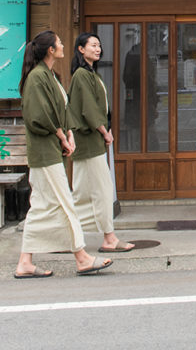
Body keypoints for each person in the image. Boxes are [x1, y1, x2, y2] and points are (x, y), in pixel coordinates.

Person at [15, 30, 112, 278]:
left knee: (41, 206)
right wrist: (61, 135)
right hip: (44, 152)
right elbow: (39, 115)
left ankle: (25, 262)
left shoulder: (50, 75)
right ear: (50, 50)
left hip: (50, 151)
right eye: (59, 42)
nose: (62, 45)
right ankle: (82, 257)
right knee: (64, 203)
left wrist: (67, 134)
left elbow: (62, 109)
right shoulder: (37, 77)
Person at [69, 32, 134, 253]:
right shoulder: (81, 75)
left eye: (99, 45)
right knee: (100, 190)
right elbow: (89, 109)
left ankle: (72, 236)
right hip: (89, 141)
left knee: (86, 191)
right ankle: (108, 238)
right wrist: (104, 131)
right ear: (81, 48)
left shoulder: (90, 74)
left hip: (91, 140)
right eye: (93, 45)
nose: (98, 49)